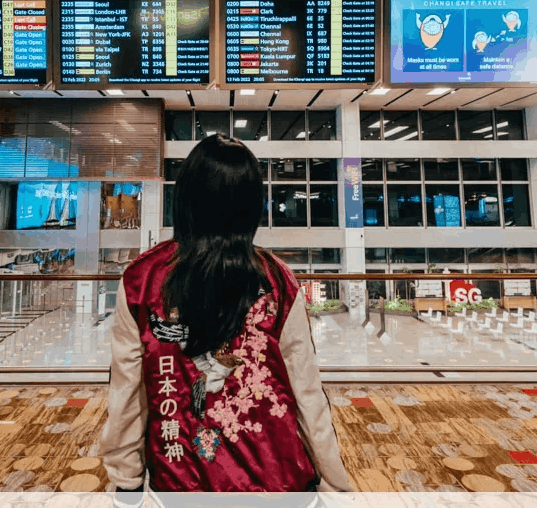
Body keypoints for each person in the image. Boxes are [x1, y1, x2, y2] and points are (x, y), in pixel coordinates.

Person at [100, 133, 352, 493]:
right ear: (252, 207)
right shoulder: (278, 280)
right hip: (277, 483)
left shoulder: (141, 281)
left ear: (184, 198)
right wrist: (335, 481)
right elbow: (306, 392)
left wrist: (125, 480)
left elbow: (127, 393)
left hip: (180, 484)